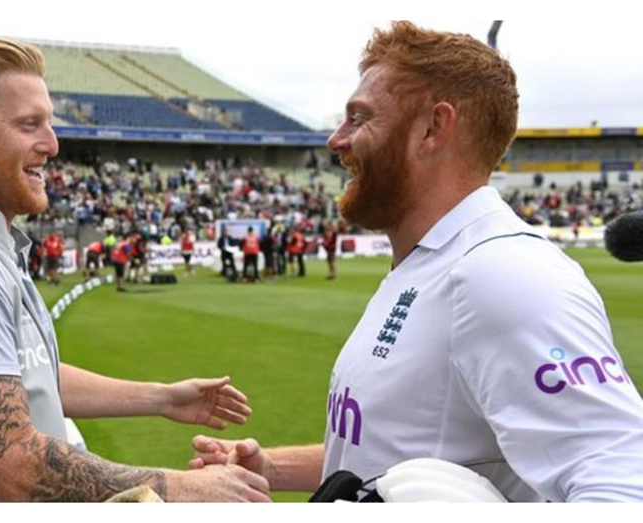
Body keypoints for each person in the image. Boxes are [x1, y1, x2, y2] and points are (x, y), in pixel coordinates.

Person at [190, 22, 643, 502]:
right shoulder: (428, 263)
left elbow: (623, 483)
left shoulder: (502, 273)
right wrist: (272, 468)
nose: (335, 140)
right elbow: (406, 451)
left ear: (432, 128)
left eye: (359, 119)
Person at [0, 38, 269, 502]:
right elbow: (13, 464)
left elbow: (26, 378)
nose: (53, 144)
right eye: (29, 125)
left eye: (50, 124)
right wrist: (180, 488)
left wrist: (161, 397)